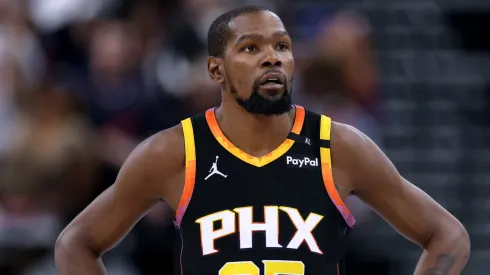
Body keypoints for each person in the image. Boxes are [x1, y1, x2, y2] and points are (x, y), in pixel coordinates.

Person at [54, 5, 470, 275]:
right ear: (215, 71)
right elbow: (76, 243)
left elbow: (447, 235)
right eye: (251, 47)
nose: (272, 57)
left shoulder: (337, 146)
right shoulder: (175, 151)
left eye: (282, 46)